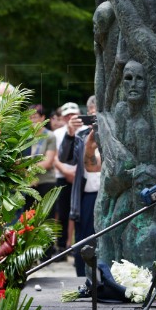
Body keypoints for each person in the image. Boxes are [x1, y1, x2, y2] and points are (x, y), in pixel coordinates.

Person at [58, 96, 101, 276]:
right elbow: (65, 158)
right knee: (84, 239)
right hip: (87, 195)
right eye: (91, 116)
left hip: (109, 194)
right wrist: (70, 133)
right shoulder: (82, 135)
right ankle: (83, 278)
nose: (95, 120)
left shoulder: (116, 133)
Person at [52, 101, 80, 255]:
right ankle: (62, 245)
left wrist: (76, 173)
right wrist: (66, 172)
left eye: (72, 114)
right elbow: (56, 157)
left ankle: (75, 244)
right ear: (63, 117)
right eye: (67, 115)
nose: (70, 117)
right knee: (62, 212)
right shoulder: (57, 133)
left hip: (80, 177)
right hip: (62, 176)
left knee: (77, 213)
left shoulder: (86, 130)